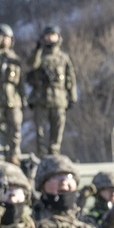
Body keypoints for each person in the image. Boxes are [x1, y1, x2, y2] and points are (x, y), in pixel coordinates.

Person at [27, 25, 77, 156]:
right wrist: (37, 49)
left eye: (52, 35)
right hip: (41, 98)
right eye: (47, 35)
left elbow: (70, 78)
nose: (50, 38)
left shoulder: (63, 58)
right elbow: (31, 65)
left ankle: (54, 154)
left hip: (59, 99)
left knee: (57, 130)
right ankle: (42, 156)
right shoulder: (40, 56)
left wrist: (72, 97)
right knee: (40, 132)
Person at [0, 24, 24, 164]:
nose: (5, 40)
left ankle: (13, 155)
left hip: (13, 97)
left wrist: (22, 95)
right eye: (3, 37)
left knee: (15, 127)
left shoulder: (14, 58)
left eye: (8, 38)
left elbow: (20, 80)